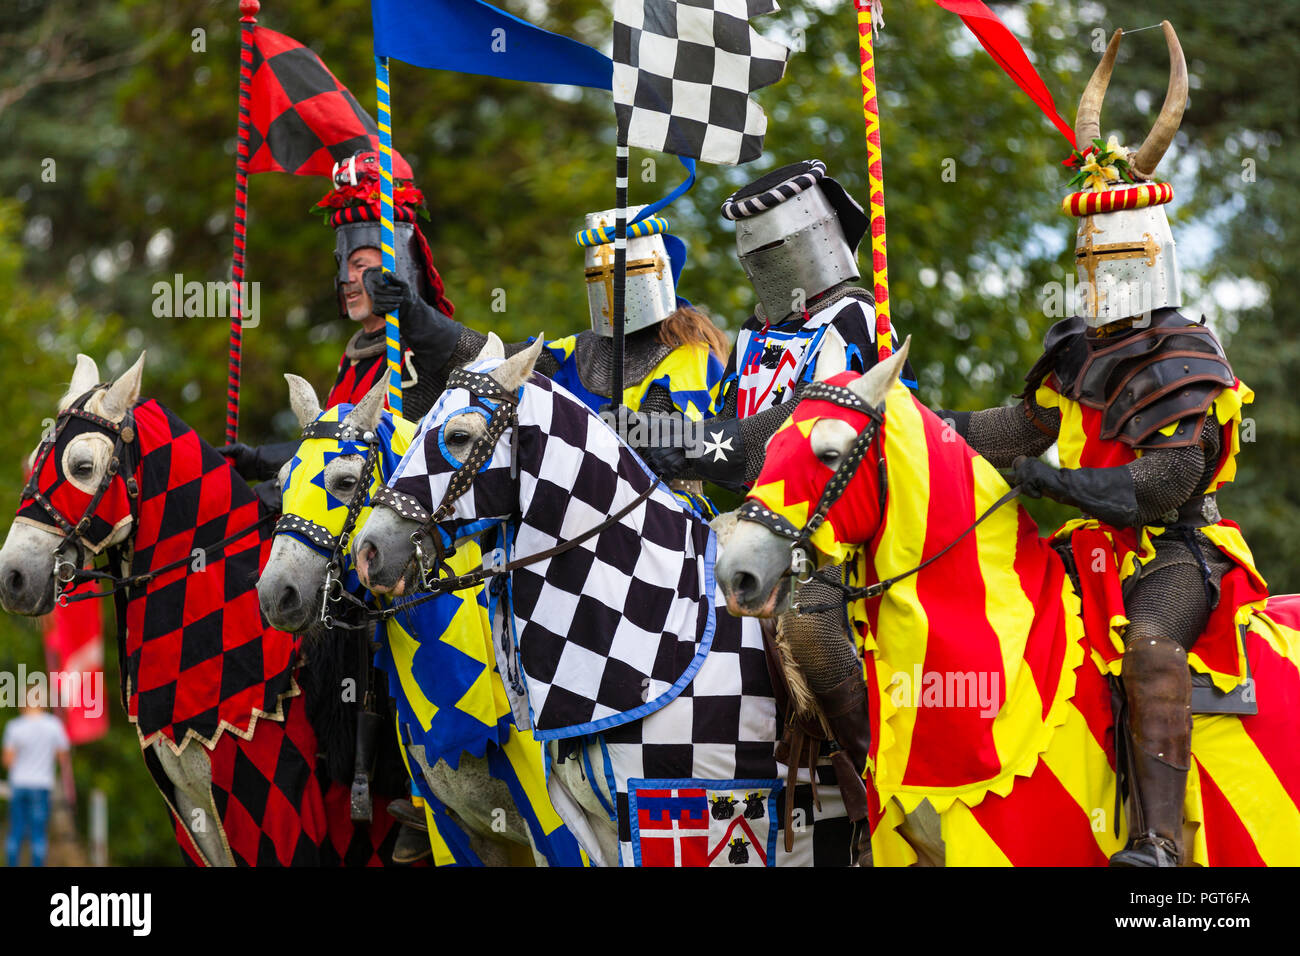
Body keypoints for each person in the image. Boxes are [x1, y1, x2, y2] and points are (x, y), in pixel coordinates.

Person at [937, 23, 1258, 866]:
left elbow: (1158, 486)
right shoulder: (1076, 350)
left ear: (1149, 259)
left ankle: (1160, 842)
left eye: (1110, 263)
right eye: (1088, 264)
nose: (1095, 281)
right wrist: (918, 425)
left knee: (1150, 648)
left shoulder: (1188, 356)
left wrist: (1053, 482)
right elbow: (1016, 430)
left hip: (1170, 552)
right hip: (1081, 555)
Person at [628, 159, 913, 863]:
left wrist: (694, 445)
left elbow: (792, 432)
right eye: (751, 252)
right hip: (756, 523)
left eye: (772, 248)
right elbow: (728, 430)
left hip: (831, 532)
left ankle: (867, 783)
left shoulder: (855, 318)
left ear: (809, 239)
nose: (762, 262)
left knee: (810, 623)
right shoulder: (756, 338)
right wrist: (662, 431)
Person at [222, 150, 461, 483]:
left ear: (398, 267)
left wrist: (413, 313)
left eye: (361, 265)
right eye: (343, 266)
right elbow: (334, 443)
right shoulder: (353, 358)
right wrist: (257, 460)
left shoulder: (423, 350)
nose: (347, 278)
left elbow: (479, 361)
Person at [3, 701, 71, 867]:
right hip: (41, 784)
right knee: (38, 834)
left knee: (15, 832)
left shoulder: (14, 726)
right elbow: (63, 757)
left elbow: (7, 761)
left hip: (18, 783)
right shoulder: (54, 725)